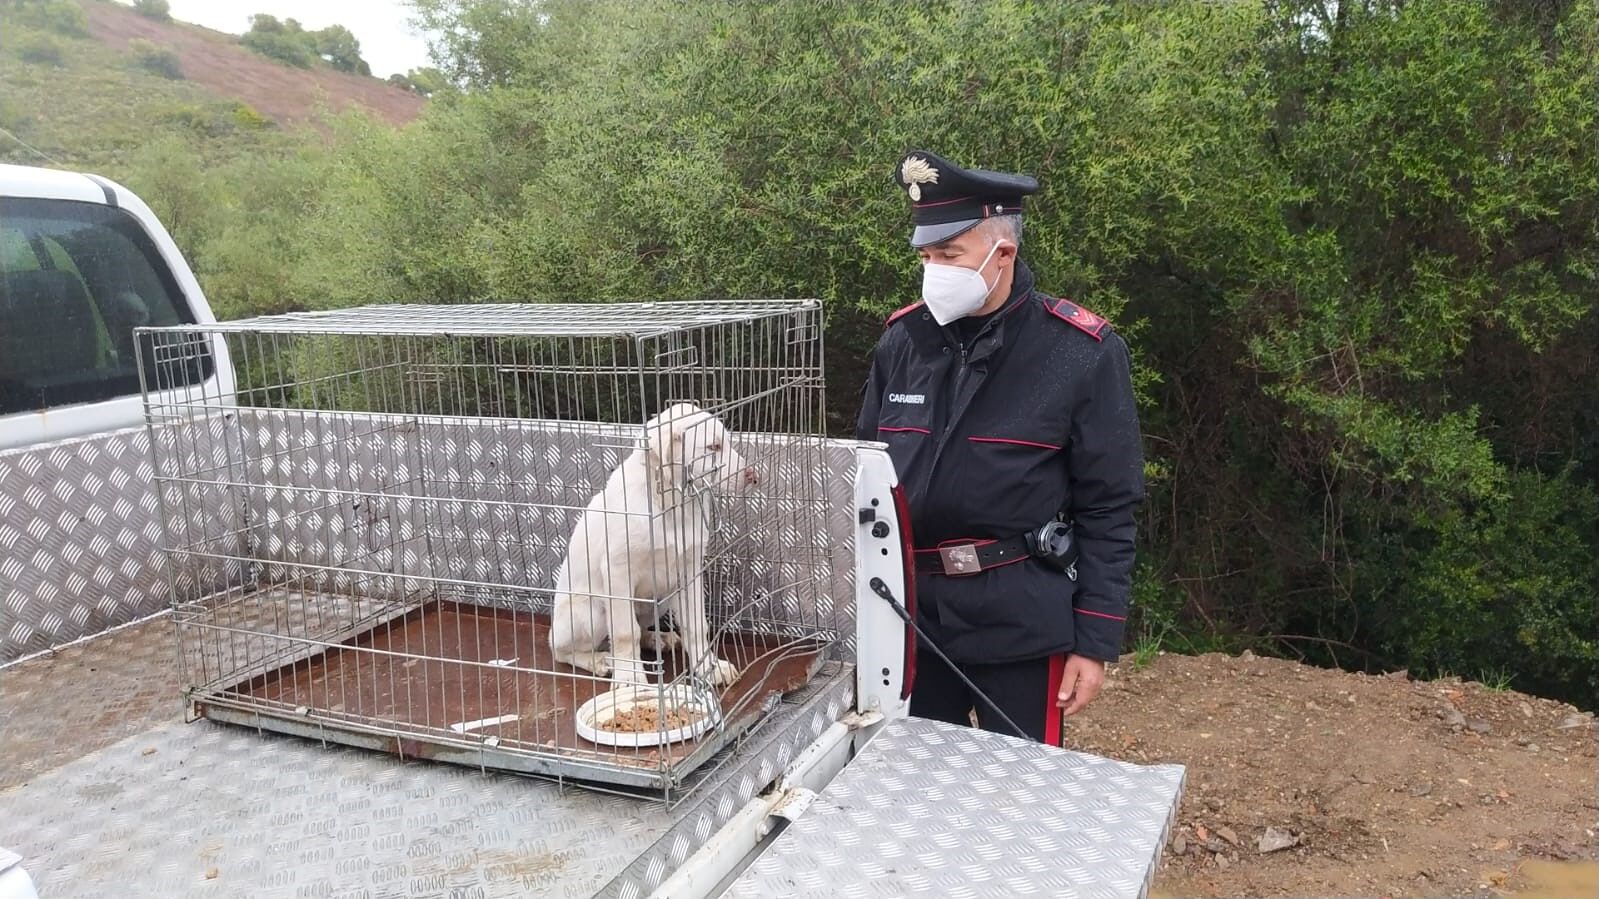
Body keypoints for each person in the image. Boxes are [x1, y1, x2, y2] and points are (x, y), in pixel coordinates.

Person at [856, 149, 1145, 744]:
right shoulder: (902, 343)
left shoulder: (1080, 354)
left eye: (949, 255)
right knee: (911, 793)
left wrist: (1094, 641)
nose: (933, 268)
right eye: (927, 255)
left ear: (1002, 254)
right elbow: (863, 476)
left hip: (1021, 622)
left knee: (1021, 801)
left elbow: (1110, 507)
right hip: (911, 620)